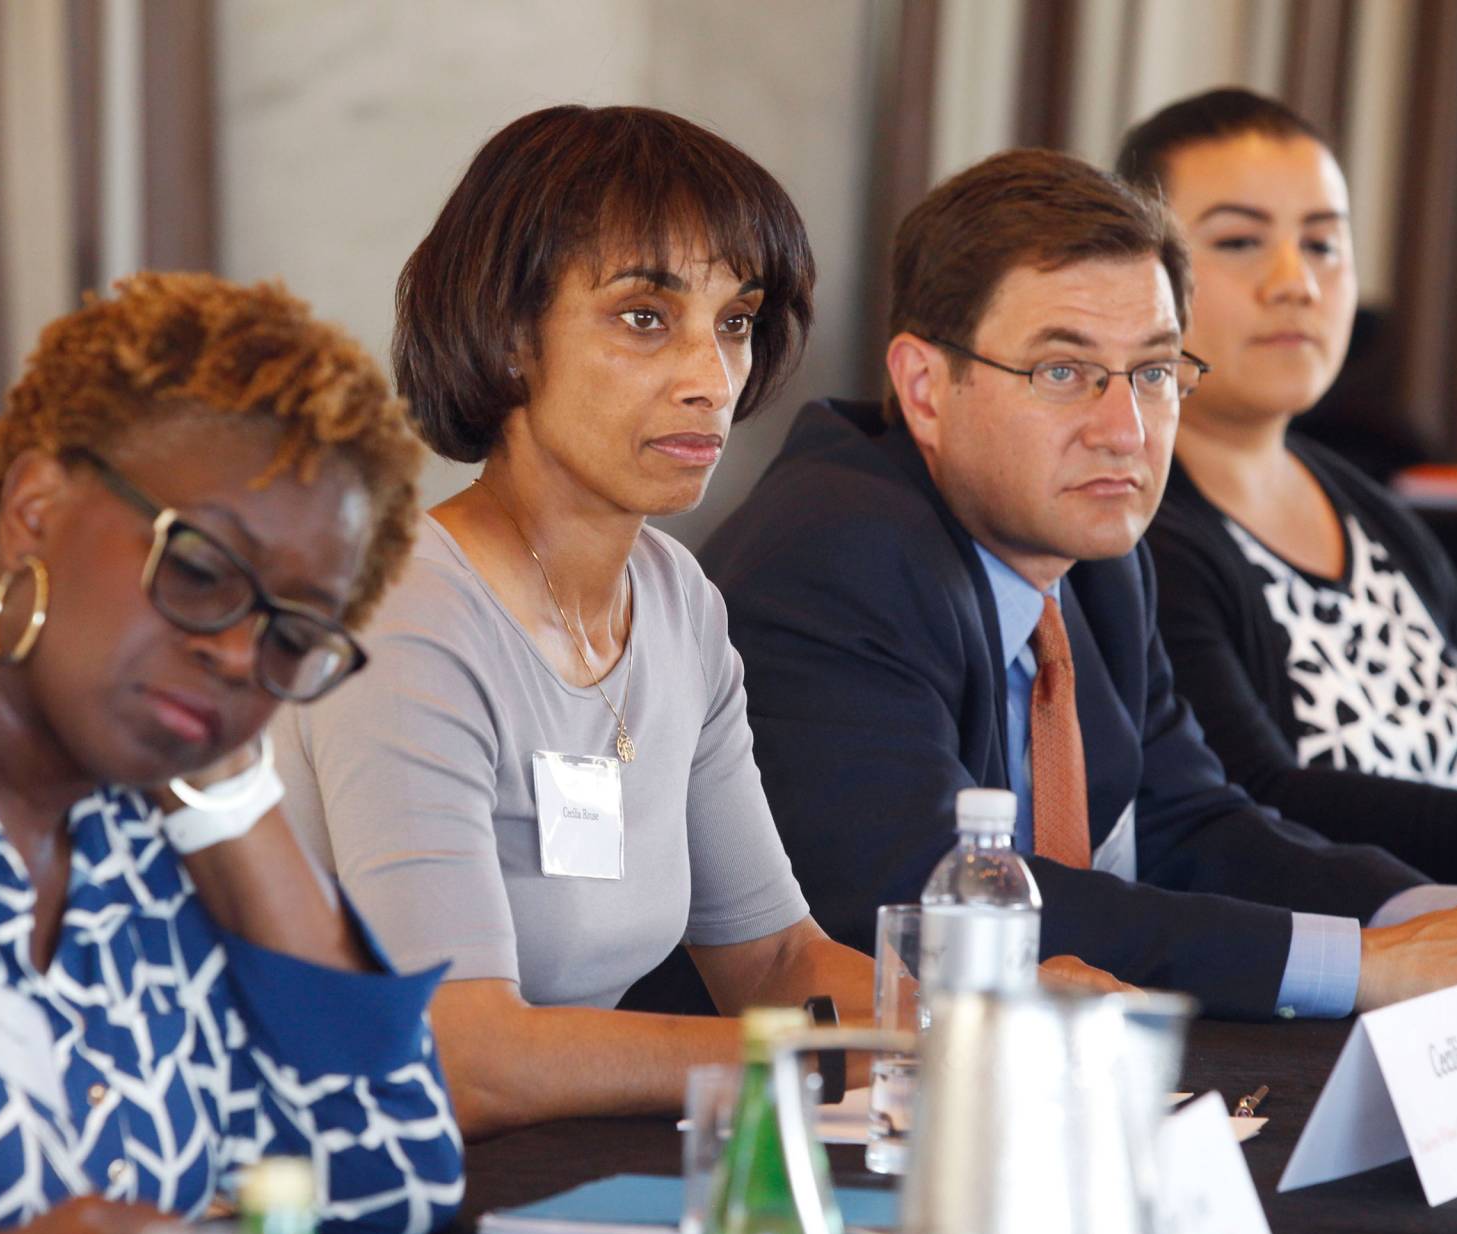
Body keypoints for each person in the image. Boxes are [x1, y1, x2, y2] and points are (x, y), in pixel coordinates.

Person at [270, 106, 1120, 1140]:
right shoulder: (400, 607)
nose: (710, 377)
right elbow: (466, 1051)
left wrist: (989, 1016)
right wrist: (866, 1049)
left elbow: (772, 961)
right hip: (341, 1184)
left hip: (544, 1162)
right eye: (643, 317)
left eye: (735, 321)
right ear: (506, 337)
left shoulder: (676, 600)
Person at [0, 274, 462, 1234]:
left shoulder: (141, 846)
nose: (244, 656)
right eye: (202, 570)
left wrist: (230, 797)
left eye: (295, 634)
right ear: (34, 508)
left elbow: (394, 1171)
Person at [701, 147, 1457, 1022]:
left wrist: (1445, 920)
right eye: (1063, 371)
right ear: (926, 387)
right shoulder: (837, 551)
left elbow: (1188, 824)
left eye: (1156, 372)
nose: (1125, 430)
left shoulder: (1101, 553)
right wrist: (1364, 964)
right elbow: (927, 898)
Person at [1119, 88, 1457, 885]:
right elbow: (1251, 801)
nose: (1295, 282)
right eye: (1238, 241)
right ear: (1143, 273)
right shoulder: (1140, 524)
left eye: (1324, 244)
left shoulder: (1377, 513)